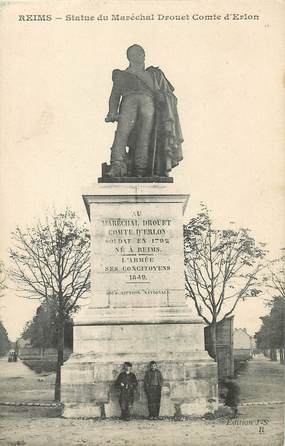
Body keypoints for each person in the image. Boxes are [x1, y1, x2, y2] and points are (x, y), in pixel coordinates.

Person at [105, 44, 183, 178]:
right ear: (129, 57)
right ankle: (116, 165)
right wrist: (112, 111)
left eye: (141, 52)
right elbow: (115, 95)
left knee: (145, 136)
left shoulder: (153, 74)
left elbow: (166, 94)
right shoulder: (122, 75)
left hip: (148, 103)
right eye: (136, 53)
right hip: (129, 101)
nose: (141, 55)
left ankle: (141, 169)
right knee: (122, 133)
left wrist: (162, 98)